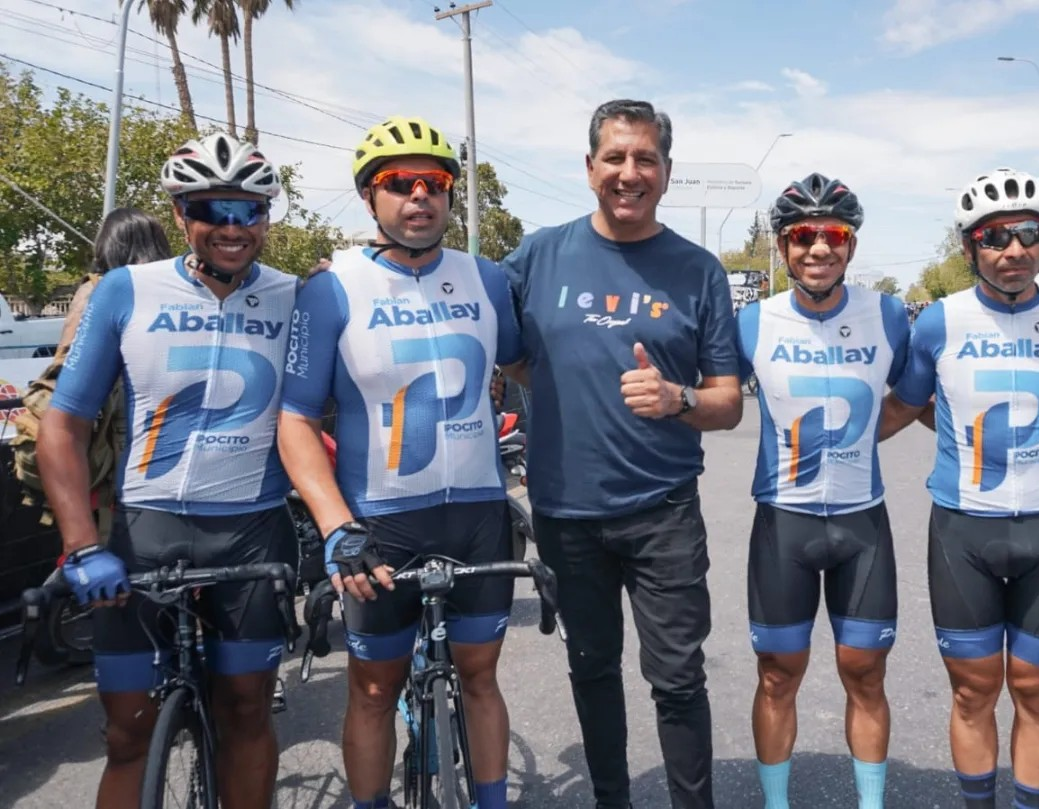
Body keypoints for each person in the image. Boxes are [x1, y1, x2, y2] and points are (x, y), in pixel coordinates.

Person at [37, 133, 296, 809]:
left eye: (249, 211)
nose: (233, 227)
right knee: (128, 733)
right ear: (181, 214)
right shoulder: (126, 290)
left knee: (247, 711)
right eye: (212, 209)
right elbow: (63, 425)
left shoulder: (293, 296)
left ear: (266, 217)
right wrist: (81, 545)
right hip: (145, 531)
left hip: (252, 533)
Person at [500, 98, 742, 809]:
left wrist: (678, 399)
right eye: (615, 157)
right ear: (589, 167)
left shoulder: (698, 270)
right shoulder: (538, 255)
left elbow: (728, 401)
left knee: (678, 680)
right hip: (565, 512)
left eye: (645, 159)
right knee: (592, 668)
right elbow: (506, 347)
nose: (629, 172)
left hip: (663, 513)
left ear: (665, 171)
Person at [277, 115, 522, 809]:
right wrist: (336, 527)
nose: (420, 195)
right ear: (369, 197)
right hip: (379, 525)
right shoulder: (331, 287)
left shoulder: (488, 279)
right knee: (374, 687)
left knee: (480, 677)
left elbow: (529, 369)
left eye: (434, 182)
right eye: (398, 182)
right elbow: (295, 420)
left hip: (477, 515)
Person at [880, 168, 1039, 809]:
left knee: (1037, 692)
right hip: (962, 530)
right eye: (995, 237)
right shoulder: (938, 323)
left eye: (1029, 233)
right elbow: (906, 406)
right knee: (973, 692)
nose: (1014, 249)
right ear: (971, 247)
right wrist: (839, 442)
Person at [738, 173, 908, 809]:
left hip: (862, 526)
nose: (818, 248)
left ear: (850, 245)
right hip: (783, 524)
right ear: (783, 246)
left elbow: (917, 394)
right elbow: (718, 394)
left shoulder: (888, 314)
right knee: (777, 676)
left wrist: (859, 437)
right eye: (802, 235)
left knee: (865, 673)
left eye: (832, 235)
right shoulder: (754, 321)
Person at [11, 207, 172, 533]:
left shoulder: (99, 289)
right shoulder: (169, 291)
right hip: (148, 428)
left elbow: (66, 361)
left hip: (109, 430)